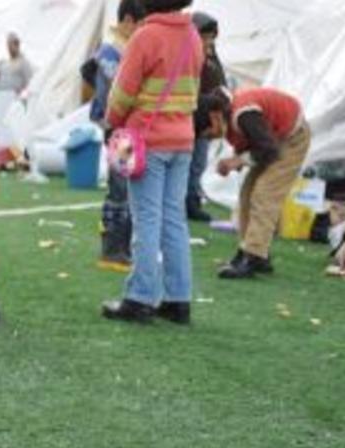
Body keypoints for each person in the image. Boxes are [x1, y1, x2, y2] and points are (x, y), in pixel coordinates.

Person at [101, 0, 204, 325]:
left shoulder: (146, 36)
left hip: (148, 139)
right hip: (183, 139)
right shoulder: (193, 36)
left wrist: (112, 122)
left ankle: (140, 297)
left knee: (146, 219)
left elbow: (122, 93)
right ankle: (178, 299)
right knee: (174, 219)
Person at [197, 87, 311, 278]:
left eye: (208, 133)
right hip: (273, 140)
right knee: (247, 194)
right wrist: (236, 160)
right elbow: (256, 143)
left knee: (264, 194)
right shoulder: (231, 115)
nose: (209, 137)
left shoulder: (243, 115)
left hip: (292, 138)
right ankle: (249, 251)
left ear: (215, 116)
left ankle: (254, 256)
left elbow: (268, 150)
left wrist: (237, 161)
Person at [88, 0, 146, 272]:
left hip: (125, 128)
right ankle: (113, 249)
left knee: (125, 188)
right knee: (119, 190)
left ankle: (121, 248)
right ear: (128, 21)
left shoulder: (123, 49)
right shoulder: (111, 52)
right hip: (117, 129)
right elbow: (112, 94)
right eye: (140, 23)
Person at [186, 11, 228, 222]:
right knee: (188, 164)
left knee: (198, 163)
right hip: (189, 117)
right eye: (205, 35)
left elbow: (219, 82)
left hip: (203, 118)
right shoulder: (188, 55)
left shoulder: (210, 56)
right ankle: (186, 203)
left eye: (211, 36)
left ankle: (191, 201)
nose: (209, 40)